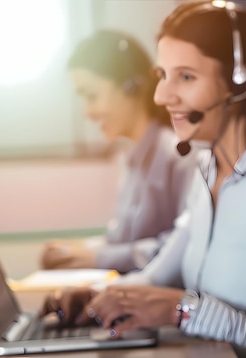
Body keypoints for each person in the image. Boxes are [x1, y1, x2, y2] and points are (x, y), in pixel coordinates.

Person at [42, 2, 246, 357]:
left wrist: (182, 310)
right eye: (162, 75)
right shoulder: (208, 168)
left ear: (240, 82)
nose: (161, 96)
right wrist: (96, 298)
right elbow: (155, 277)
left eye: (186, 77)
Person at [40, 30, 197, 273]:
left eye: (92, 96)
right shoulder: (131, 159)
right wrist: (78, 250)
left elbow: (183, 248)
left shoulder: (177, 155)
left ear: (132, 86)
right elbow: (123, 241)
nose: (87, 112)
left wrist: (98, 258)